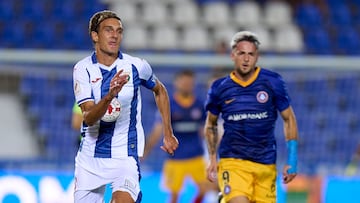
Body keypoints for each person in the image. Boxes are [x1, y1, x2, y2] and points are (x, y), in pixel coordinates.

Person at [72, 10, 179, 203]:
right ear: (95, 36)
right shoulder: (82, 69)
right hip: (90, 158)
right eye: (108, 30)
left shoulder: (136, 65)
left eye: (119, 31)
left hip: (125, 155)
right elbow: (88, 116)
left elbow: (160, 90)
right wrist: (110, 96)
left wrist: (168, 132)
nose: (115, 35)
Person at [204, 31, 299, 203]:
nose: (246, 59)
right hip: (233, 162)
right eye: (241, 53)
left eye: (251, 54)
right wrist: (212, 158)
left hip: (265, 164)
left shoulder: (273, 81)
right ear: (233, 55)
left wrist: (292, 158)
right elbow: (211, 123)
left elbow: (289, 118)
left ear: (257, 57)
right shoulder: (220, 87)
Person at [143, 70, 216, 203]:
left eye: (189, 83)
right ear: (176, 83)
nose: (186, 85)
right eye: (184, 82)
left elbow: (205, 129)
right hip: (176, 159)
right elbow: (158, 130)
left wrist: (212, 150)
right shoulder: (169, 105)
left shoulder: (199, 105)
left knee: (204, 189)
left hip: (196, 157)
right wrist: (145, 152)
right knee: (174, 196)